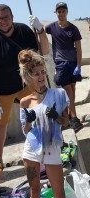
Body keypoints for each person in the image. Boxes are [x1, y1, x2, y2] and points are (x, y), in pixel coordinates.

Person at [0, 4, 49, 170]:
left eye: (6, 17)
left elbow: (44, 51)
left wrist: (40, 31)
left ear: (12, 17)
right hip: (2, 90)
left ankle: (46, 145)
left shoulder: (24, 31)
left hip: (26, 84)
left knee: (41, 112)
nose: (2, 21)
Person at [18, 48, 73, 198]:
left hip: (51, 147)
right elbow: (25, 131)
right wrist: (29, 121)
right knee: (34, 192)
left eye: (43, 72)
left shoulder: (58, 95)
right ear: (28, 77)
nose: (41, 77)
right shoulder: (25, 102)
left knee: (60, 194)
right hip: (32, 148)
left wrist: (57, 116)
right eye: (36, 74)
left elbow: (66, 122)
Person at [29, 2, 83, 132]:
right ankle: (74, 118)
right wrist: (35, 26)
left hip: (72, 63)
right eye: (59, 11)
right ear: (56, 13)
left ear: (67, 12)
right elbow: (40, 32)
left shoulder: (73, 29)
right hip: (60, 63)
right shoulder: (52, 27)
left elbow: (79, 48)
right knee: (68, 91)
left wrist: (79, 65)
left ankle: (69, 116)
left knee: (72, 91)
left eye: (63, 11)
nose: (61, 13)